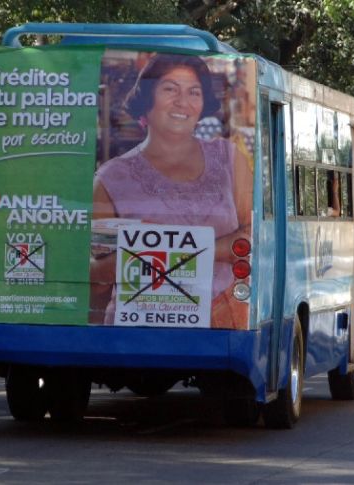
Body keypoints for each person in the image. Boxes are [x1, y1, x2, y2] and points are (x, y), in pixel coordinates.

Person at [90, 53, 253, 328]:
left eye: (194, 92)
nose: (183, 102)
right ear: (146, 98)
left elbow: (251, 236)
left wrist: (162, 252)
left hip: (224, 322)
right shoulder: (110, 178)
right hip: (137, 326)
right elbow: (93, 272)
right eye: (170, 89)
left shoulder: (229, 158)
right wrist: (199, 251)